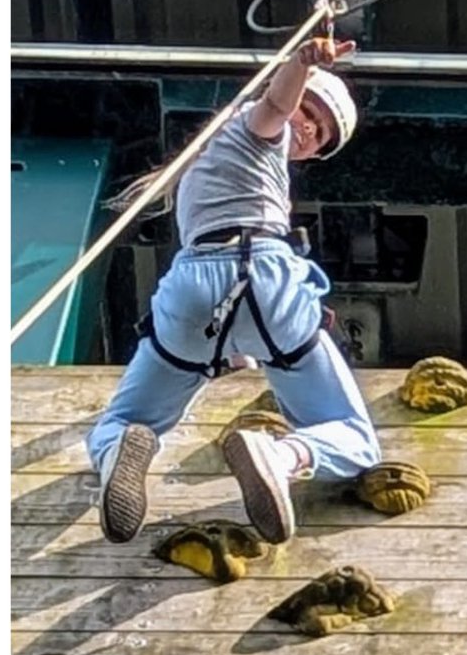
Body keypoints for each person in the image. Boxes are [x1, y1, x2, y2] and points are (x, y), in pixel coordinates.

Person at [88, 35, 381, 547]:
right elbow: (276, 107)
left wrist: (234, 348)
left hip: (192, 294)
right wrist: (302, 63)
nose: (308, 130)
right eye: (310, 113)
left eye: (320, 136)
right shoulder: (254, 127)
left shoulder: (207, 168)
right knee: (354, 437)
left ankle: (120, 451)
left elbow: (283, 110)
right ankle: (282, 456)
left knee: (124, 420)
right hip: (269, 281)